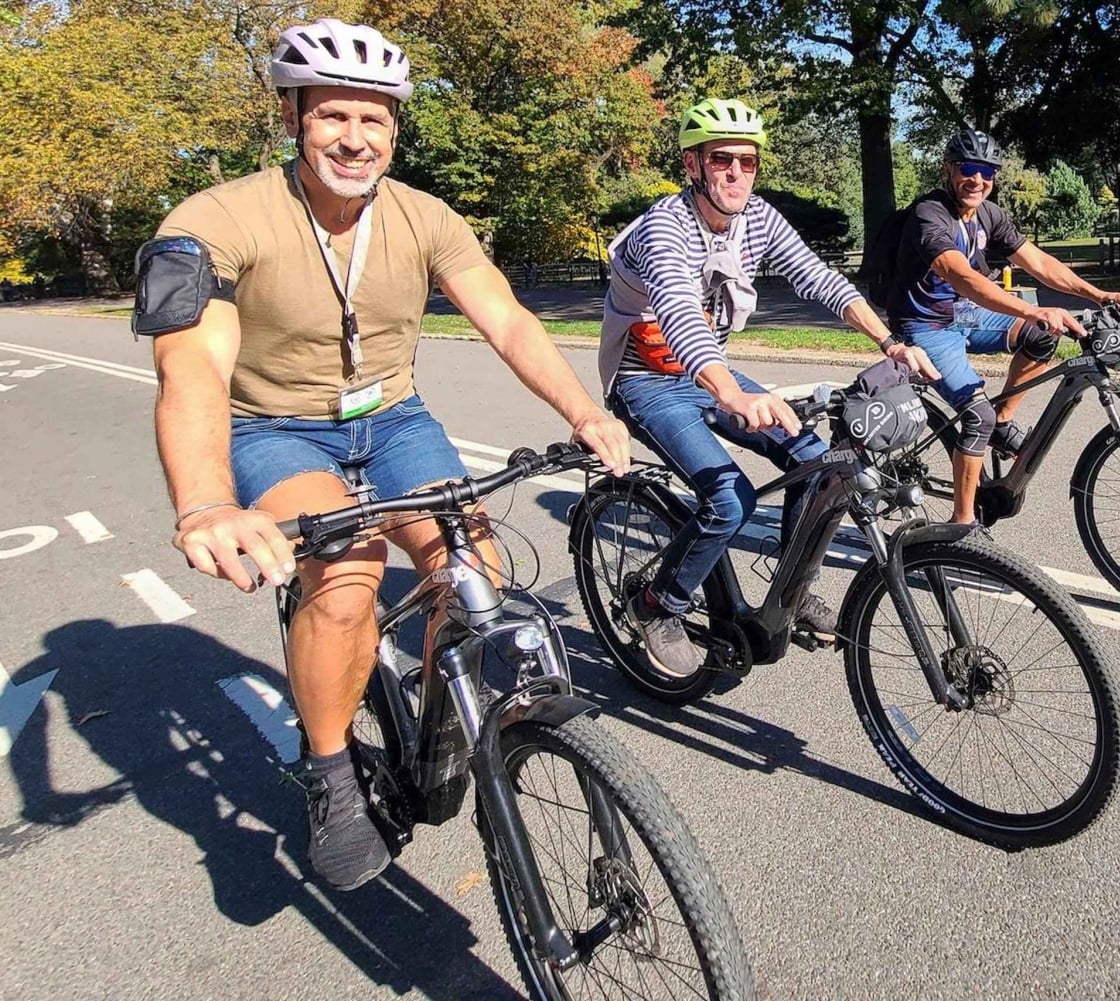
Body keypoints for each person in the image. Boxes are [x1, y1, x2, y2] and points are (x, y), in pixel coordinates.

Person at [135, 18, 631, 892]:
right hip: (274, 427)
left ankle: (440, 729)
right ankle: (330, 770)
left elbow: (507, 319)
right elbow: (194, 365)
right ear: (293, 118)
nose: (354, 138)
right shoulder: (217, 218)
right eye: (332, 115)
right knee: (347, 571)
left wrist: (584, 411)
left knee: (474, 570)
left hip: (394, 420)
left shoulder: (424, 216)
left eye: (374, 119)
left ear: (395, 130)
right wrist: (206, 501)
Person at [599, 97, 938, 678]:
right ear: (692, 164)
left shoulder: (756, 219)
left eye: (748, 162)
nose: (736, 173)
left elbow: (819, 279)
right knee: (730, 499)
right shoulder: (664, 228)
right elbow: (678, 313)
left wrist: (892, 344)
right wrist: (732, 395)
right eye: (721, 159)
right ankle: (659, 603)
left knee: (817, 462)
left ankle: (792, 587)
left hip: (712, 375)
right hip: (647, 382)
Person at [884, 126, 1120, 525]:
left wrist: (1098, 294)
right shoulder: (929, 215)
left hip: (965, 314)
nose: (977, 180)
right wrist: (1031, 310)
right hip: (926, 326)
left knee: (1040, 337)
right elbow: (964, 278)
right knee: (975, 416)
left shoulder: (988, 214)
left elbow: (1039, 262)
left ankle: (1003, 421)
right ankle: (962, 527)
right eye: (967, 168)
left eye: (987, 172)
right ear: (948, 169)